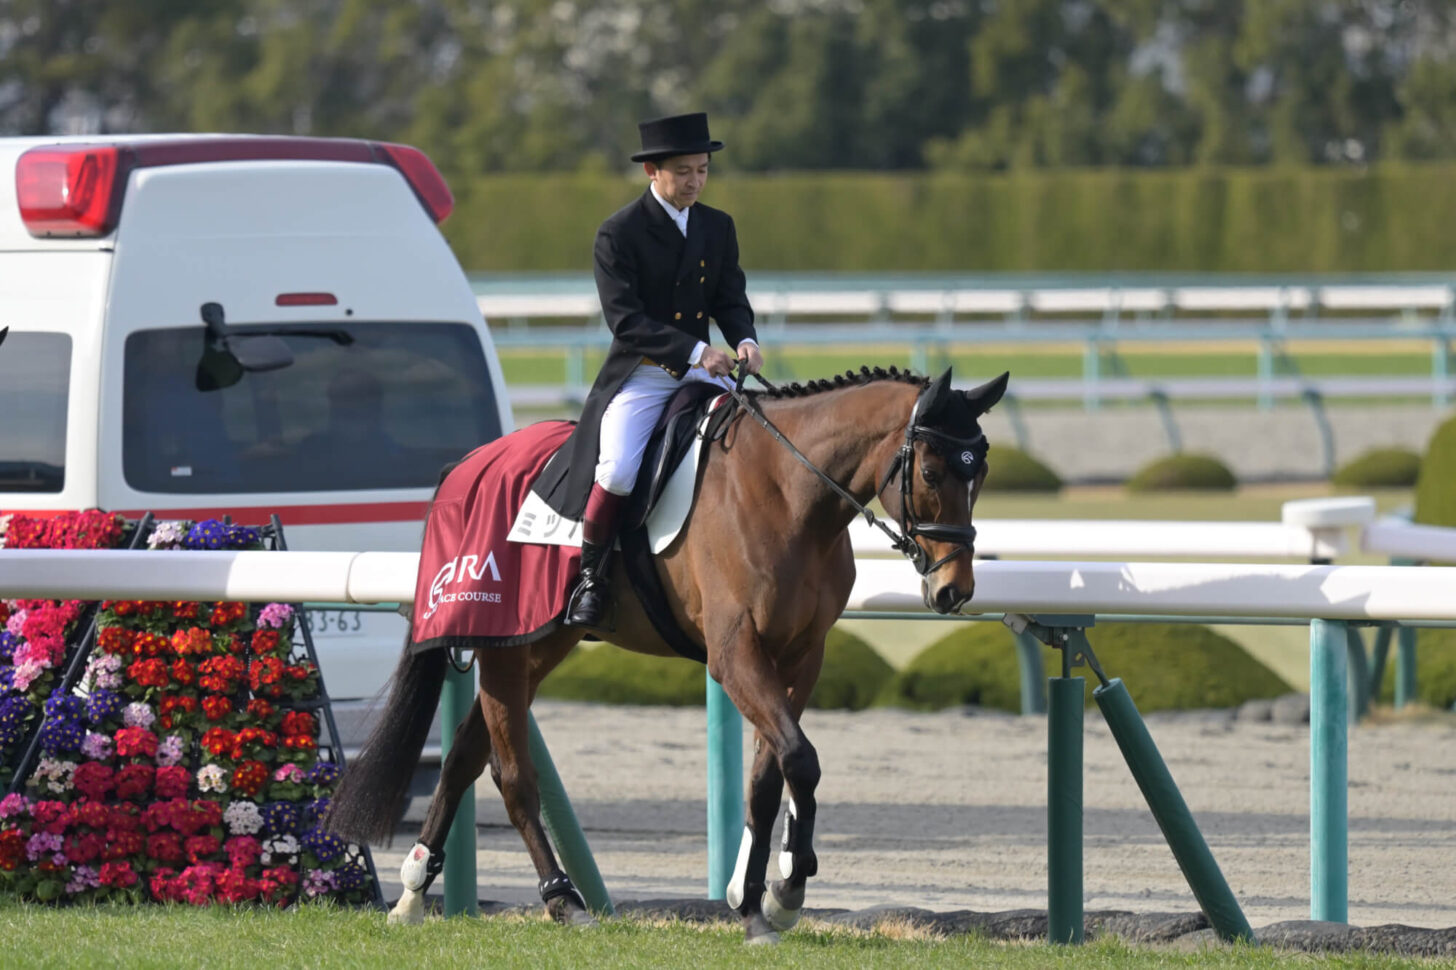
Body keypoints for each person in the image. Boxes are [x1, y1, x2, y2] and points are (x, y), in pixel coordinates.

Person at [531, 111, 763, 628]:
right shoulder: (618, 233)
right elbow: (625, 320)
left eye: (702, 170)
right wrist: (697, 352)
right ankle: (590, 579)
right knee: (616, 470)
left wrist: (745, 339)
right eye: (684, 171)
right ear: (652, 172)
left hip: (707, 371)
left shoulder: (717, 226)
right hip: (644, 372)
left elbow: (730, 296)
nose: (695, 181)